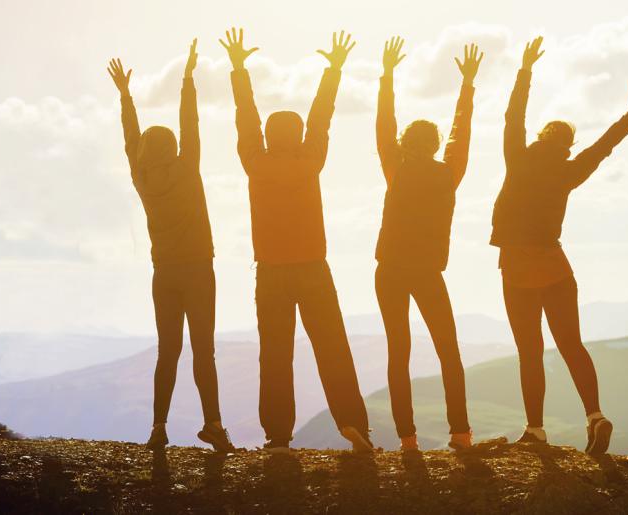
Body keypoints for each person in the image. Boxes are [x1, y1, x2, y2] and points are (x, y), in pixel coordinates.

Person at [490, 36, 628, 455]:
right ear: (567, 145)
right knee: (572, 345)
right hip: (556, 266)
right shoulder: (571, 170)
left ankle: (535, 431)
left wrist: (525, 70)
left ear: (542, 136)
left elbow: (514, 116)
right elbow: (605, 145)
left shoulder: (518, 157)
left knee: (530, 351)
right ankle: (595, 416)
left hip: (517, 267)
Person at [220, 28, 374, 454]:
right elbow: (321, 118)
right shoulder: (310, 161)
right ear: (298, 134)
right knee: (333, 347)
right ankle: (352, 422)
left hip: (271, 272)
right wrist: (334, 71)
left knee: (274, 355)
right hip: (313, 269)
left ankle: (278, 437)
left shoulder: (255, 162)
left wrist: (238, 70)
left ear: (269, 135)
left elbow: (244, 117)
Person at [107, 40, 235, 453]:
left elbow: (130, 140)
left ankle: (158, 428)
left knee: (168, 353)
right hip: (198, 270)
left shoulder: (141, 177)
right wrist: (187, 80)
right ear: (173, 148)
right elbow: (190, 125)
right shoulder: (186, 168)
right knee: (204, 352)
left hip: (164, 275)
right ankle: (213, 425)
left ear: (145, 152)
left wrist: (126, 97)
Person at [374, 37, 481, 452]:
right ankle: (461, 434)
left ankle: (407, 440)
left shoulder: (395, 168)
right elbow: (462, 132)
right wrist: (467, 86)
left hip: (390, 270)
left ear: (405, 142)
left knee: (398, 353)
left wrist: (386, 77)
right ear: (435, 145)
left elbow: (383, 125)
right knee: (448, 352)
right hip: (426, 271)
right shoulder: (449, 172)